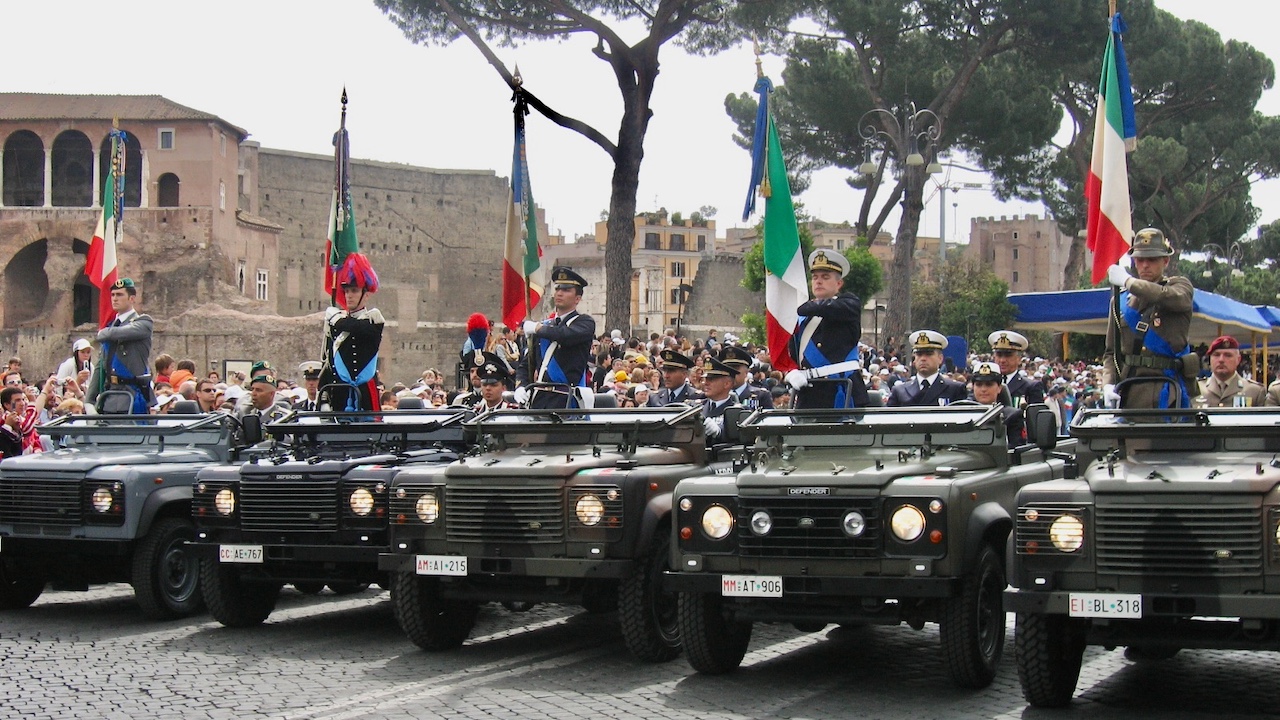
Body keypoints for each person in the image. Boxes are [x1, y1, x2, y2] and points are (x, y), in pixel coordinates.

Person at [1102, 228, 1194, 409]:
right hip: (1130, 390)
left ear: (1165, 261)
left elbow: (1167, 296)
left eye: (1152, 260)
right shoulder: (1120, 301)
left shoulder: (1180, 287)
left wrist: (1129, 282)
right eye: (1140, 259)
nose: (1145, 265)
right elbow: (1112, 352)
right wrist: (1108, 384)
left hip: (1169, 391)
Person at [784, 250, 870, 409]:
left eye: (825, 277)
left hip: (841, 388)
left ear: (839, 283)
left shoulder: (848, 304)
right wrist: (790, 371)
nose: (818, 282)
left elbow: (824, 308)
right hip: (809, 392)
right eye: (815, 277)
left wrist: (798, 307)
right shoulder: (803, 318)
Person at [516, 267, 596, 409]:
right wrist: (521, 386)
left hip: (566, 399)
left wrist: (537, 328)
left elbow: (565, 335)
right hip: (539, 399)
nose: (559, 293)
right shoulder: (545, 326)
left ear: (577, 298)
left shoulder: (584, 323)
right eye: (558, 289)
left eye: (566, 290)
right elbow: (527, 364)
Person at [319, 253, 384, 412]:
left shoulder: (373, 319)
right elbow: (329, 361)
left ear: (365, 295)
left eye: (354, 291)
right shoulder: (336, 322)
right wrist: (324, 395)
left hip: (365, 390)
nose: (348, 295)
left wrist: (335, 319)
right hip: (340, 391)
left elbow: (360, 328)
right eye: (346, 291)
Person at [87, 278, 154, 414]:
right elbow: (101, 366)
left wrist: (103, 332)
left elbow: (115, 333)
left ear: (132, 298)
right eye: (112, 295)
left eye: (119, 295)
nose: (115, 299)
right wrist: (89, 400)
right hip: (109, 397)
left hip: (132, 396)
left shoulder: (143, 322)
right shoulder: (111, 326)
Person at [886, 331, 968, 406]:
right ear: (914, 359)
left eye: (929, 354)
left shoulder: (955, 389)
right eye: (919, 354)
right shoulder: (900, 391)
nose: (923, 358)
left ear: (940, 358)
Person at [1196, 335, 1266, 407]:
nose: (1221, 360)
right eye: (1216, 355)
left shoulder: (1255, 391)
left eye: (1228, 355)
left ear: (1238, 359)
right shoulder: (1196, 389)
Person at [970, 361, 1025, 446]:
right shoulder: (962, 414)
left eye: (989, 384)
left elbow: (1015, 448)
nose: (983, 389)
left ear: (999, 388)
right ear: (973, 387)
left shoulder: (1011, 416)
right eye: (979, 385)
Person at [987, 330, 1044, 406]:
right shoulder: (986, 385)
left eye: (1008, 355)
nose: (1002, 360)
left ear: (1019, 359)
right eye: (999, 355)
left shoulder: (1030, 387)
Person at [698, 355, 739, 443]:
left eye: (711, 379)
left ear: (727, 384)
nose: (706, 383)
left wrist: (720, 432)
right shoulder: (697, 407)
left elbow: (738, 439)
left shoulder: (737, 411)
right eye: (706, 379)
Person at [720, 345, 773, 410]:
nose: (731, 373)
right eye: (727, 369)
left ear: (746, 372)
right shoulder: (717, 395)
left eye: (735, 369)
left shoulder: (761, 395)